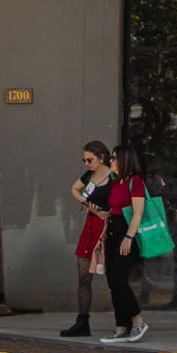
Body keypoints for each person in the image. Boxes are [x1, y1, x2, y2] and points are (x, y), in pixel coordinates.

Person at [58, 140, 113, 338]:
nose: (87, 164)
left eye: (90, 160)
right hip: (90, 225)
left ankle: (124, 321)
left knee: (113, 277)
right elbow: (74, 188)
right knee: (83, 276)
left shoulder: (113, 177)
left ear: (102, 158)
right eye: (84, 160)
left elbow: (122, 201)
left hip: (106, 227)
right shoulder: (89, 176)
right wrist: (84, 202)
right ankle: (82, 321)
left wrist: (106, 213)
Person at [100, 142, 150, 344]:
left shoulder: (135, 182)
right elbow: (113, 209)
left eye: (113, 158)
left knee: (118, 278)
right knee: (112, 281)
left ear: (124, 160)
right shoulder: (115, 182)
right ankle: (121, 326)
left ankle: (138, 320)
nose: (110, 161)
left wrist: (128, 238)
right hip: (112, 233)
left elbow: (138, 213)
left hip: (127, 234)